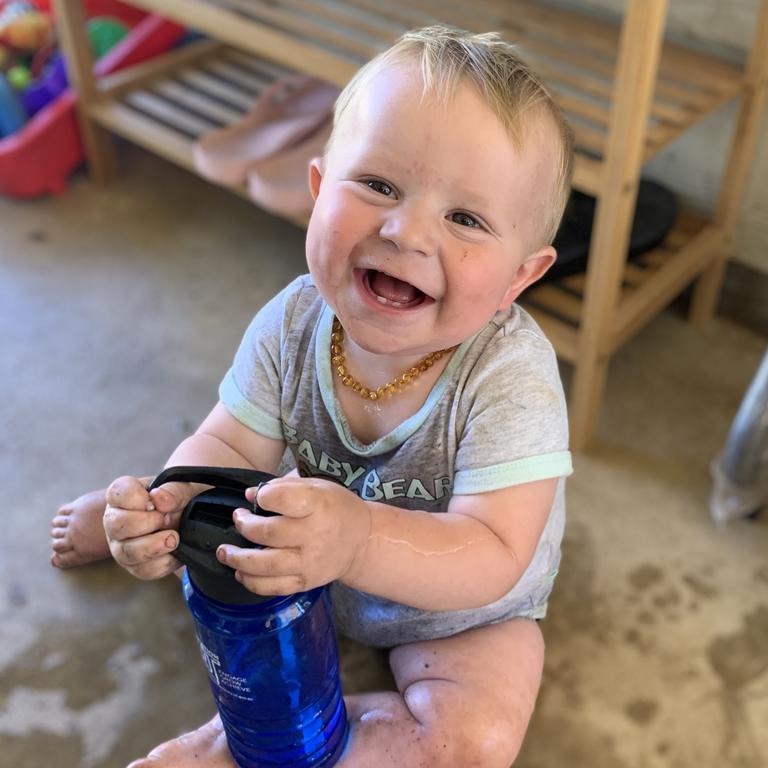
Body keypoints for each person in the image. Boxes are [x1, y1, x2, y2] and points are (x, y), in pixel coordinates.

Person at [52, 25, 574, 768]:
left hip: (459, 612)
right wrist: (170, 506)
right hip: (301, 553)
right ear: (319, 190)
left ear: (521, 277)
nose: (406, 231)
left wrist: (359, 539)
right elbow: (231, 445)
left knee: (476, 740)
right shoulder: (294, 322)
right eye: (379, 185)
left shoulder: (510, 376)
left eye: (465, 218)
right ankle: (129, 512)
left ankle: (232, 749)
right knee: (192, 508)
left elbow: (494, 552)